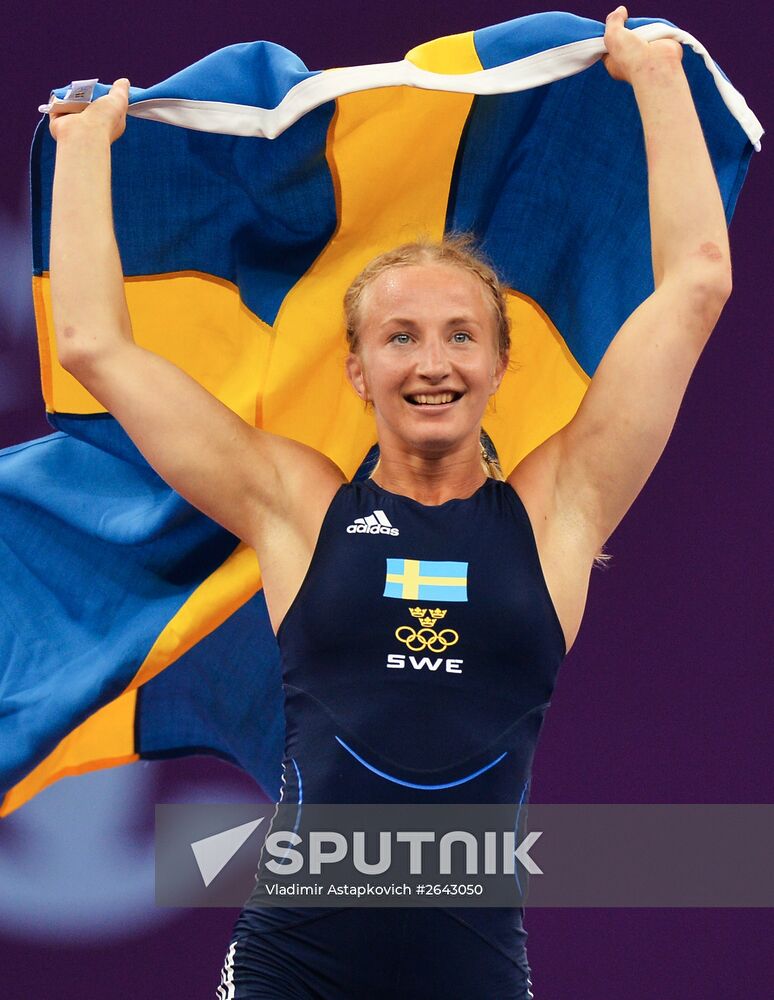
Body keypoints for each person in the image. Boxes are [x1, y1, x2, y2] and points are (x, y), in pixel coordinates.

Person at [47, 7, 732, 997]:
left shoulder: (558, 510)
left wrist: (656, 79)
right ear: (358, 371)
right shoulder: (293, 505)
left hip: (476, 977)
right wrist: (83, 151)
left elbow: (696, 285)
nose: (432, 361)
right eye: (399, 337)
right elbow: (92, 347)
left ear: (501, 362)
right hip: (293, 971)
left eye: (460, 335)